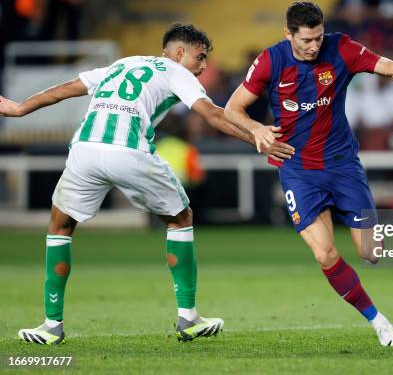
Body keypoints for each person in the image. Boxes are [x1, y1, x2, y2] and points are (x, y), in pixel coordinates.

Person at [0, 23, 294, 345]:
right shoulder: (175, 71)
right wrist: (257, 136)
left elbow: (66, 87)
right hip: (127, 151)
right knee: (180, 219)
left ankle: (50, 326)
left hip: (84, 149)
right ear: (179, 52)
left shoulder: (123, 63)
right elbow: (213, 115)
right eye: (200, 57)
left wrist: (18, 108)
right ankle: (189, 318)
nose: (203, 66)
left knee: (59, 227)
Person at [224, 1, 393, 347]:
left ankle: (365, 215)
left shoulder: (341, 48)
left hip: (342, 164)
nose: (313, 46)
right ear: (287, 34)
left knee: (371, 252)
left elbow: (383, 64)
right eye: (305, 40)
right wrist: (256, 128)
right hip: (298, 169)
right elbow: (232, 109)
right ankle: (378, 322)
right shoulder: (270, 61)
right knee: (325, 254)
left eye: (318, 38)